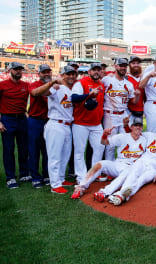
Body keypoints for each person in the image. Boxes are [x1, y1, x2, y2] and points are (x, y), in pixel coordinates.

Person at [71, 116, 147, 200]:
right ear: (131, 127)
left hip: (131, 168)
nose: (138, 127)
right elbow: (104, 142)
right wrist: (104, 135)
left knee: (127, 172)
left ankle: (104, 192)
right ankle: (80, 187)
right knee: (101, 163)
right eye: (136, 125)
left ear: (142, 128)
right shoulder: (122, 137)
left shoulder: (145, 140)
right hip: (118, 164)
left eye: (140, 126)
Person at [31, 65, 77, 194]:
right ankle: (55, 184)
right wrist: (51, 83)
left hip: (67, 125)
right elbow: (36, 93)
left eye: (73, 74)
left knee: (65, 155)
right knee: (54, 156)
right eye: (68, 74)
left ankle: (61, 179)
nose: (71, 76)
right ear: (62, 75)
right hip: (56, 124)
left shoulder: (72, 89)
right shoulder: (56, 88)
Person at [0, 62, 30, 189]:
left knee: (24, 148)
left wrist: (28, 114)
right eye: (16, 69)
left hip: (22, 118)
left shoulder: (26, 85)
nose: (18, 71)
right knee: (8, 150)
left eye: (20, 69)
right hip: (7, 119)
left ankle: (24, 174)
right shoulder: (0, 85)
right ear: (9, 70)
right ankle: (11, 177)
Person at [70, 62, 106, 185]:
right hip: (81, 123)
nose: (96, 72)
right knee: (79, 151)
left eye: (98, 70)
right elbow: (73, 98)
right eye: (94, 70)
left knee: (100, 147)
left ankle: (94, 174)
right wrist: (88, 95)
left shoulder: (101, 85)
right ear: (89, 71)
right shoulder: (81, 83)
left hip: (96, 123)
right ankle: (80, 176)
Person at [102, 58, 137, 162]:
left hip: (123, 114)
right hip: (110, 114)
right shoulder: (107, 80)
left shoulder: (129, 84)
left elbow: (133, 101)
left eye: (124, 66)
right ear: (115, 66)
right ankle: (109, 169)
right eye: (120, 65)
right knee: (110, 143)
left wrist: (138, 96)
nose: (123, 68)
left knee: (126, 141)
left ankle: (123, 164)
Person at [27, 64, 52, 188]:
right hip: (35, 120)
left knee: (48, 150)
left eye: (48, 72)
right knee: (34, 150)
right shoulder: (34, 84)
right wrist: (50, 85)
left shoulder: (55, 85)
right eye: (44, 72)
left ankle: (47, 175)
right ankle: (35, 177)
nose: (47, 74)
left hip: (49, 121)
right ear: (39, 74)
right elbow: (35, 93)